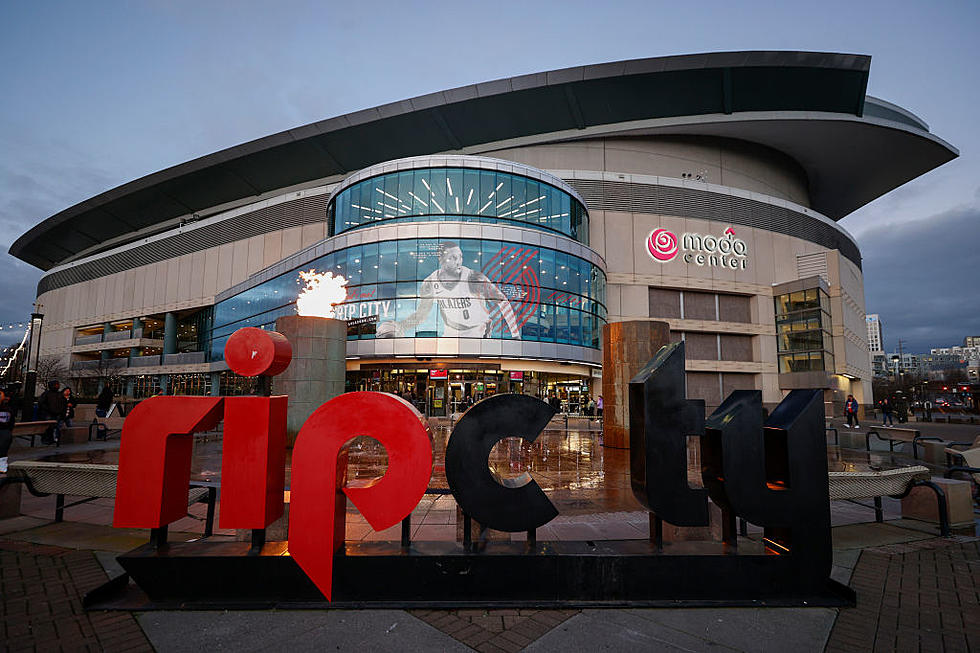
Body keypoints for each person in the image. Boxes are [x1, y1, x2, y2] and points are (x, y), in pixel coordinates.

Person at [376, 241, 520, 339]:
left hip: (479, 331)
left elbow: (502, 300)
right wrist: (402, 325)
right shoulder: (430, 282)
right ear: (441, 259)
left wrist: (515, 334)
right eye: (453, 257)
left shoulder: (473, 277)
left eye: (460, 257)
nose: (459, 261)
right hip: (452, 331)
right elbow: (421, 315)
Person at [38, 380, 67, 445]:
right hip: (49, 414)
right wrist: (48, 409)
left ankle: (52, 439)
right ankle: (46, 439)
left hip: (57, 414)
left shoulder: (59, 394)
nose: (57, 386)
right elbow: (41, 403)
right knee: (48, 428)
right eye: (56, 385)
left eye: (58, 385)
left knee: (55, 428)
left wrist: (62, 412)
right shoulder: (46, 394)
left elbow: (64, 404)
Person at [0, 387, 14, 474]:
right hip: (5, 431)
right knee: (3, 450)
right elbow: (11, 422)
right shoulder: (8, 409)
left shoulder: (7, 409)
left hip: (4, 431)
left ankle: (2, 466)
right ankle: (2, 466)